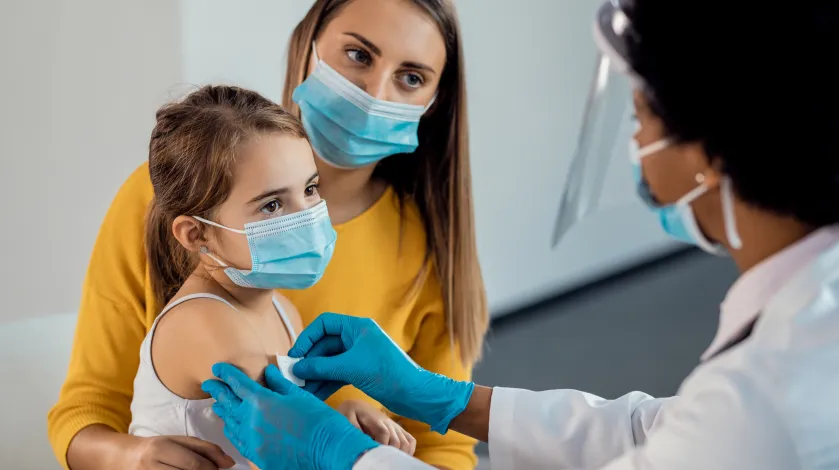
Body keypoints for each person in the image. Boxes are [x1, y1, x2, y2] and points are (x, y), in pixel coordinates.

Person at [201, 0, 839, 468]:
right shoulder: (803, 324)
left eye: (642, 118)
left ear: (713, 153)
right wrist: (447, 398)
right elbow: (653, 429)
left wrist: (339, 456)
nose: (637, 144)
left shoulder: (767, 400)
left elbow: (713, 433)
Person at [48, 1, 486, 469]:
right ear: (306, 46)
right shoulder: (163, 198)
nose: (375, 93)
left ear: (435, 101)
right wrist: (128, 456)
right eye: (359, 55)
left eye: (412, 77)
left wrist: (345, 422)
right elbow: (90, 406)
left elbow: (442, 447)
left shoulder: (424, 251)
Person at [128, 85, 416, 470]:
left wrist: (346, 414)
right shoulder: (201, 323)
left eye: (310, 189)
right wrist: (346, 439)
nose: (307, 217)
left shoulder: (282, 309)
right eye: (273, 204)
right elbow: (297, 444)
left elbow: (306, 432)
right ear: (197, 234)